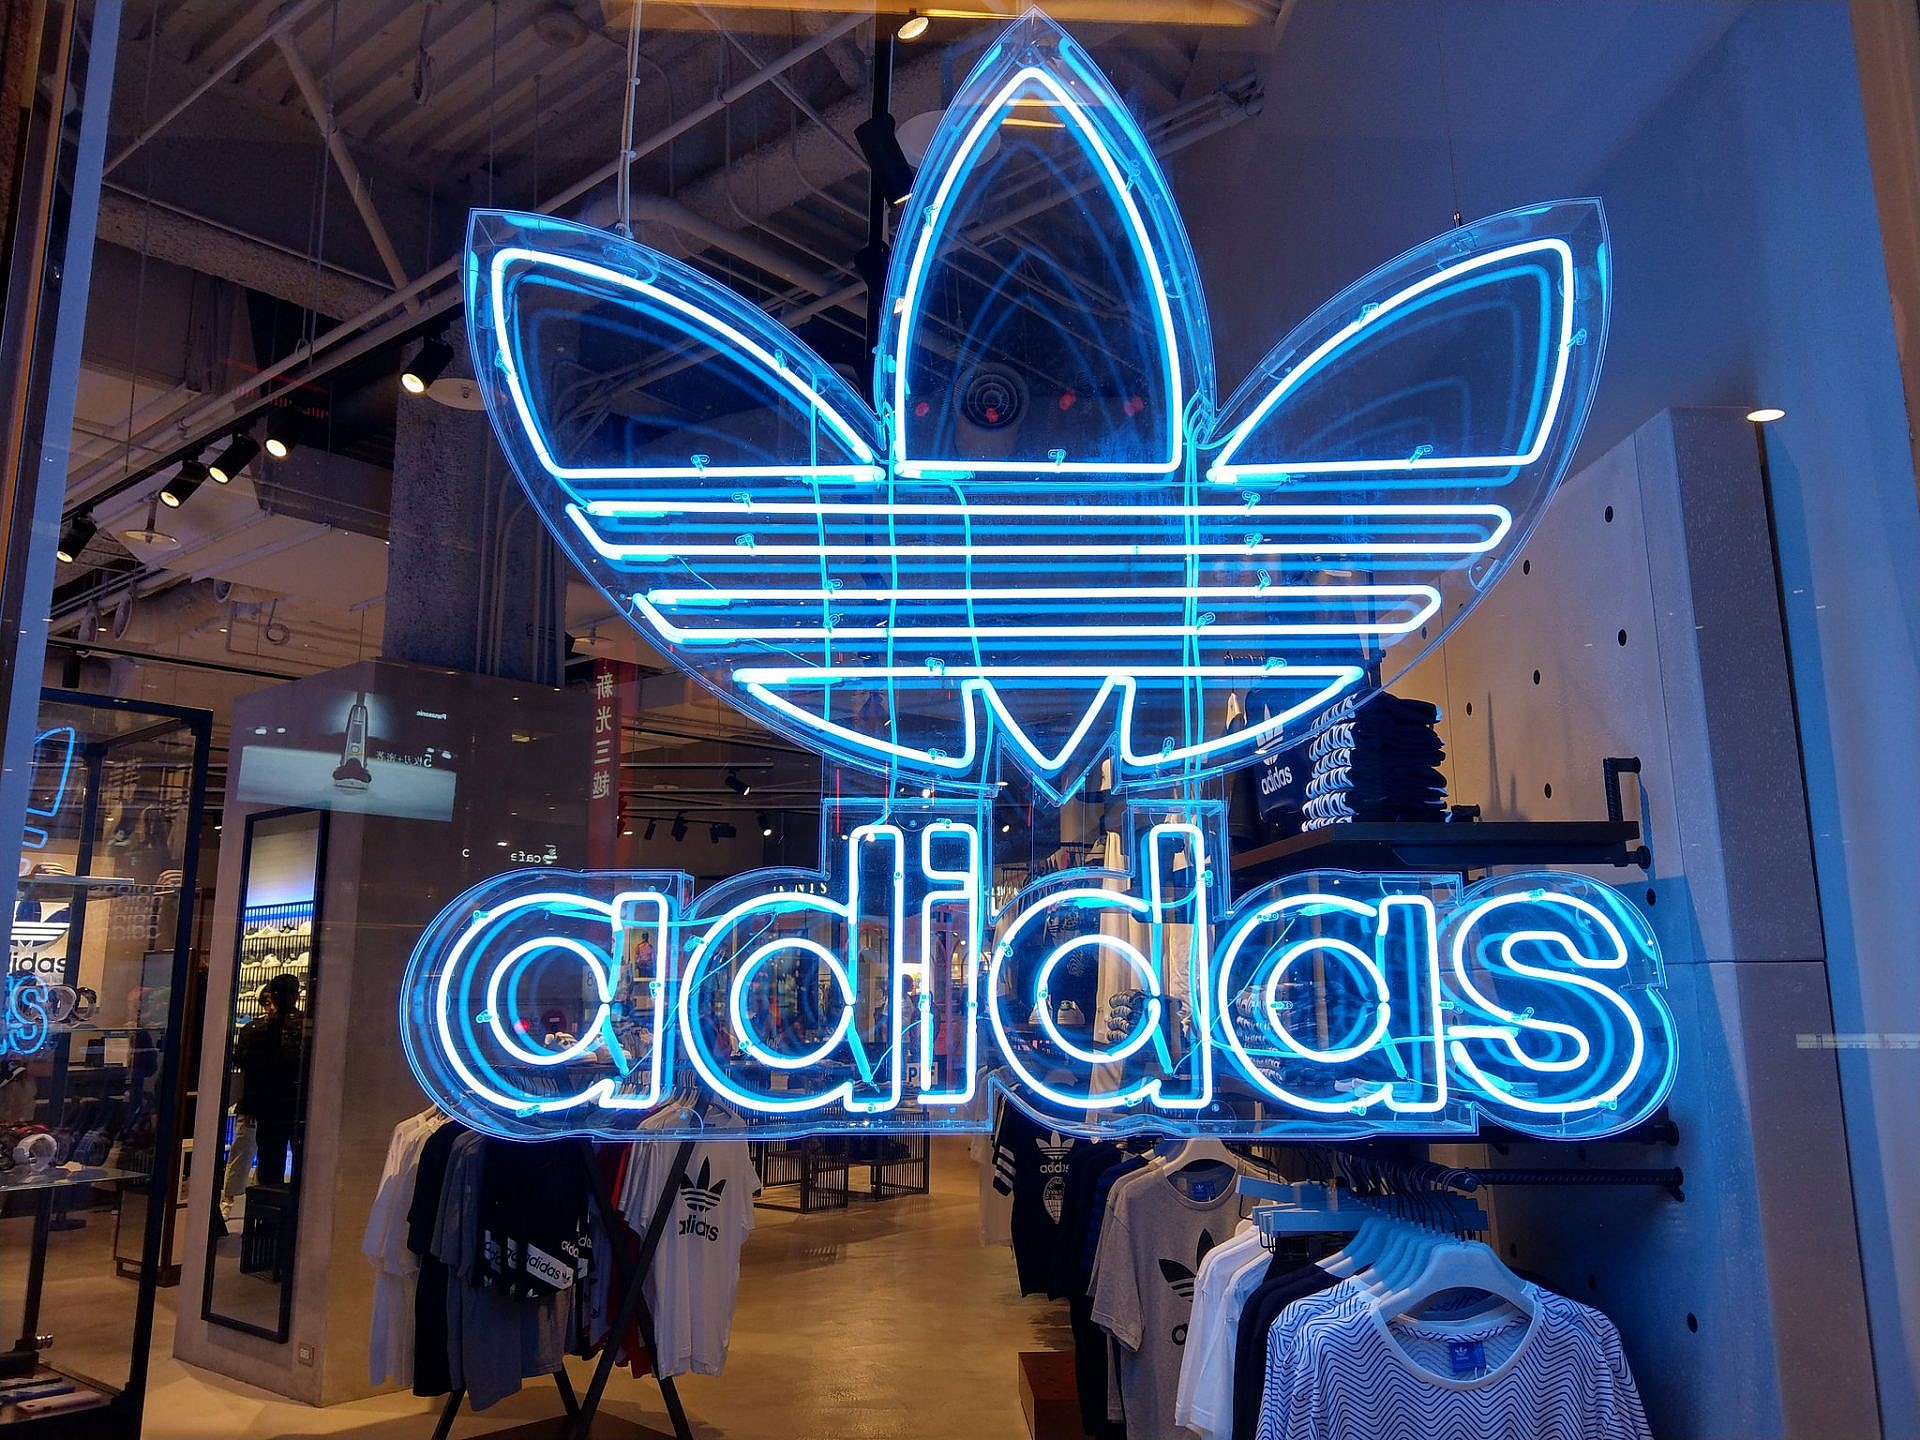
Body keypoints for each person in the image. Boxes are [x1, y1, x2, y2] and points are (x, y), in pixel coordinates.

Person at [230, 973, 305, 1190]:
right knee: (295, 1168)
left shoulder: (257, 1030)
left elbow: (252, 1070)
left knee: (270, 1167)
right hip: (294, 1106)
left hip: (271, 1107)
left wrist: (250, 1105)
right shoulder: (305, 1027)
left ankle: (267, 1206)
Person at [220, 984, 273, 1217]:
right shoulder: (253, 1030)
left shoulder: (260, 1030)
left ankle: (259, 1200)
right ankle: (229, 1199)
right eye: (267, 1002)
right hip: (255, 1099)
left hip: (269, 1101)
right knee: (243, 1149)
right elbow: (245, 1067)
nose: (271, 1007)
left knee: (261, 1152)